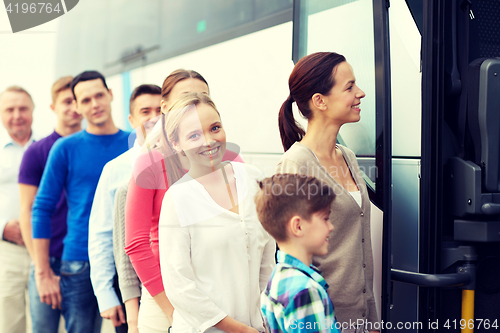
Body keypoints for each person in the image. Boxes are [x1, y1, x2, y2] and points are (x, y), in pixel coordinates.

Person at [125, 69, 242, 333]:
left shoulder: (228, 160)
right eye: (186, 98)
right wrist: (169, 309)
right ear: (165, 108)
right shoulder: (150, 164)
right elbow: (135, 244)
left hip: (218, 288)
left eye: (202, 98)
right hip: (163, 295)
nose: (195, 106)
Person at [276, 52, 378, 333]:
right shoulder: (295, 164)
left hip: (359, 322)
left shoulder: (348, 157)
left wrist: (372, 319)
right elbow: (289, 258)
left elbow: (360, 247)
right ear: (319, 101)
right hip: (320, 322)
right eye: (349, 87)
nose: (361, 93)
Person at [158, 92, 276, 333]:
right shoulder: (177, 199)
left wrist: (265, 319)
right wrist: (239, 329)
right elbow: (179, 286)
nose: (209, 141)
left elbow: (267, 260)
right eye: (194, 135)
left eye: (215, 128)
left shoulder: (254, 178)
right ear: (176, 144)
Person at [31, 71, 130, 333]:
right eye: (85, 100)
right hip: (79, 262)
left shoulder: (134, 143)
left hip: (128, 258)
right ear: (76, 106)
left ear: (110, 95)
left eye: (99, 95)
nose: (94, 104)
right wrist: (41, 273)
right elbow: (41, 209)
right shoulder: (65, 148)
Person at [88, 84, 162, 333]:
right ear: (131, 119)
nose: (154, 118)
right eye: (145, 111)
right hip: (131, 289)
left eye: (160, 110)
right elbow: (101, 234)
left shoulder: (182, 164)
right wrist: (106, 295)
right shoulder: (115, 169)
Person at [18, 76, 83, 333]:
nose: (74, 107)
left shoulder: (93, 147)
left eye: (77, 100)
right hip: (48, 258)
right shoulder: (37, 152)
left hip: (83, 259)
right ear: (53, 107)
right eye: (67, 101)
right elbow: (27, 211)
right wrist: (40, 268)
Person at [255, 174, 341, 333]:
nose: (331, 227)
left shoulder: (278, 279)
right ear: (298, 226)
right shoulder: (305, 291)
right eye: (325, 219)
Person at [0, 85, 36, 333]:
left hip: (45, 249)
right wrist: (2, 227)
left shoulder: (47, 148)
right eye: (9, 109)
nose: (16, 115)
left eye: (22, 108)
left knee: (51, 323)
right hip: (7, 252)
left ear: (33, 110)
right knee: (9, 323)